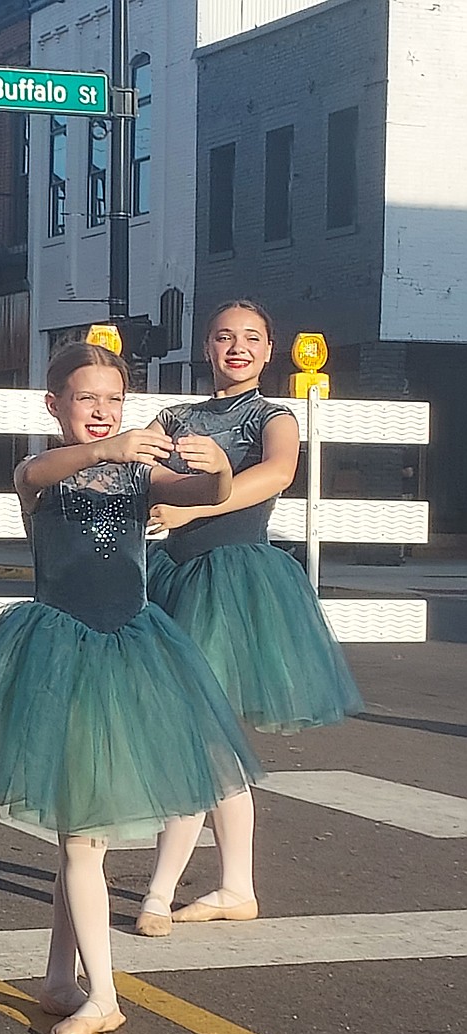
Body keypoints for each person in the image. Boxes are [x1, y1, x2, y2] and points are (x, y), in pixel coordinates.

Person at [0, 342, 262, 1034]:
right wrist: (108, 448)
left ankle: (91, 988)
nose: (101, 411)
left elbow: (208, 497)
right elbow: (40, 469)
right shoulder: (41, 472)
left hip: (130, 655)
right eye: (87, 398)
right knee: (78, 831)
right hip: (57, 653)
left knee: (81, 834)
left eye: (113, 400)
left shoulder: (142, 479)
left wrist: (218, 472)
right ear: (53, 404)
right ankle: (78, 983)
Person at [133, 299, 362, 938]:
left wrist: (195, 509)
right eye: (223, 337)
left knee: (198, 733)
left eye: (251, 338)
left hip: (236, 585)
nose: (237, 346)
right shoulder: (176, 416)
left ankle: (161, 891)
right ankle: (237, 885)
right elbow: (142, 475)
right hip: (173, 581)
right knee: (209, 737)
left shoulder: (274, 414)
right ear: (206, 348)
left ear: (269, 351)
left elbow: (277, 474)